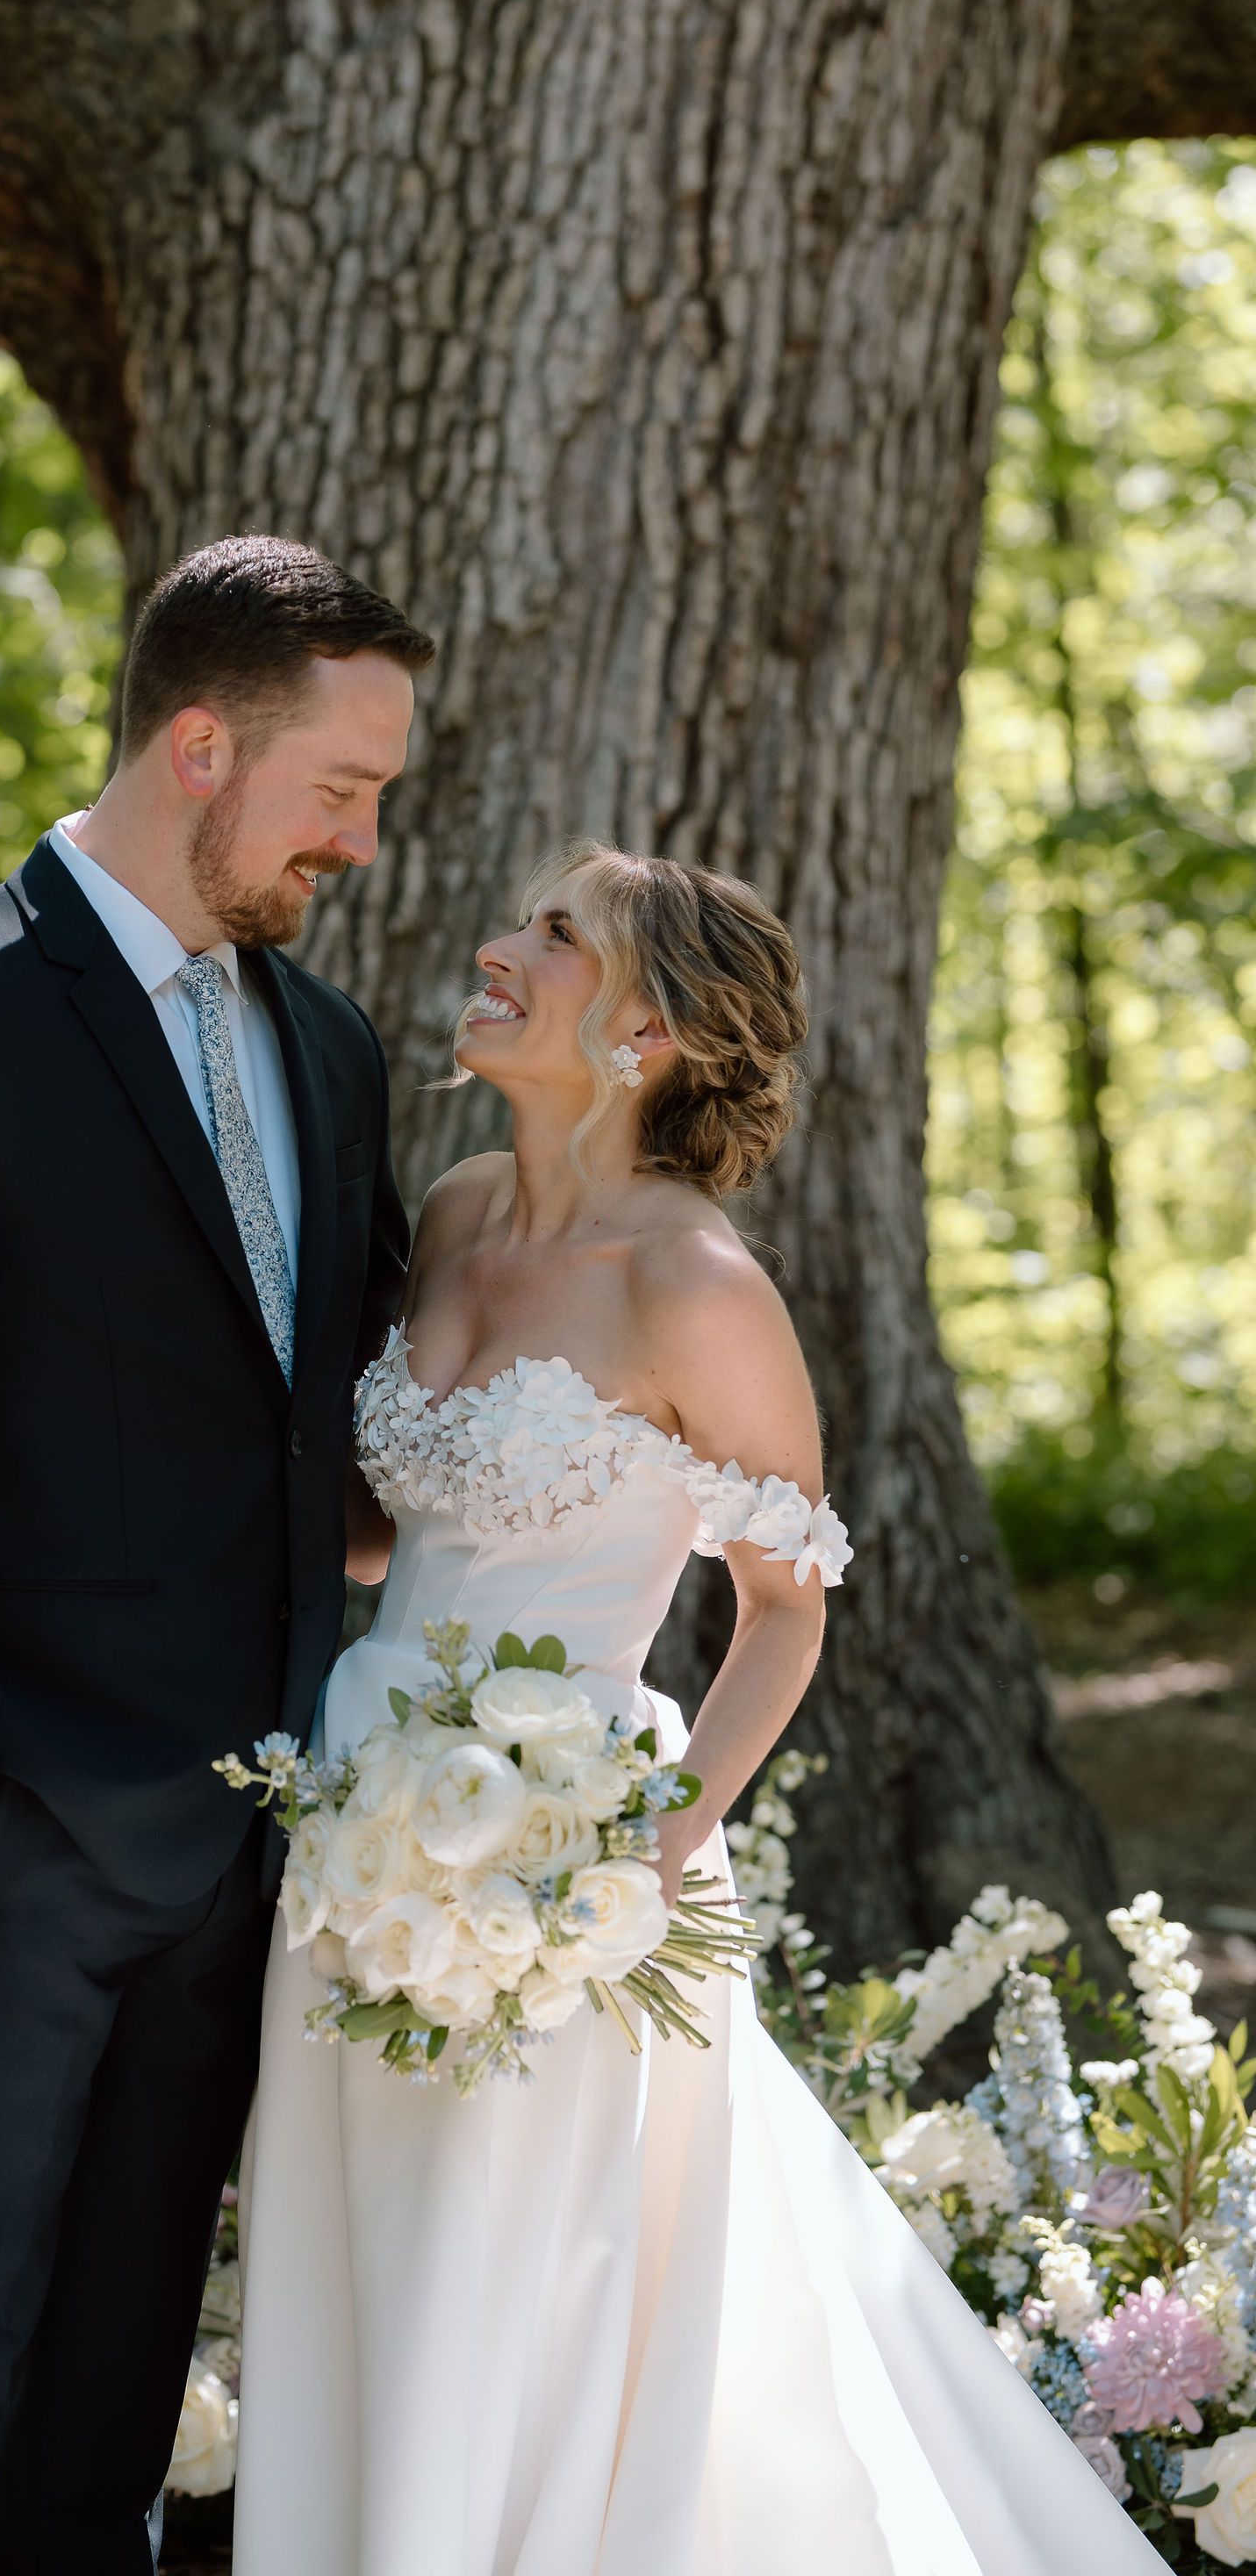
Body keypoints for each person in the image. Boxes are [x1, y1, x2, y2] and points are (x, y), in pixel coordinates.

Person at [233, 842, 1163, 2574]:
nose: (499, 951)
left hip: (569, 1863)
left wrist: (651, 1851)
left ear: (643, 1025)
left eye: (552, 939)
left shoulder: (695, 1285)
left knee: (527, 2273)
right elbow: (381, 1531)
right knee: (365, 2252)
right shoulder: (446, 1208)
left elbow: (784, 1610)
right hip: (358, 1833)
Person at [0, 535, 432, 2574]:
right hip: (8, 1834)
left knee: (110, 2417)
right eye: (340, 791)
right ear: (200, 746)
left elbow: (333, 1415)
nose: (363, 844)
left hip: (246, 1849)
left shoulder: (328, 1048)